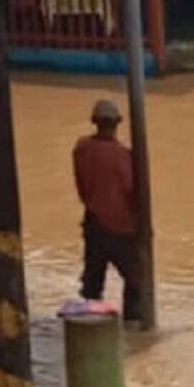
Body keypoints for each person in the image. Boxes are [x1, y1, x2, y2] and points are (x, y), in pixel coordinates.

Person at [73, 99, 140, 321]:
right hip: (121, 228)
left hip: (93, 222)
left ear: (95, 122)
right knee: (136, 280)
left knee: (93, 282)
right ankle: (133, 326)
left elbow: (82, 187)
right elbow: (134, 193)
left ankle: (91, 327)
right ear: (117, 123)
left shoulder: (81, 149)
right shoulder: (125, 157)